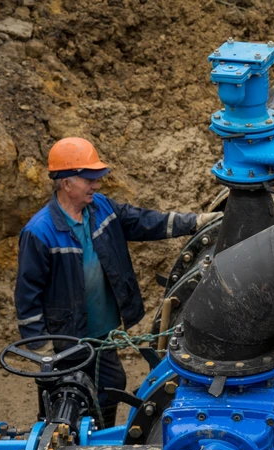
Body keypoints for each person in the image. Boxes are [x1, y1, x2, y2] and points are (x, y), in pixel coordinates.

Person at [14, 137, 220, 427]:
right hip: (68, 341)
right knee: (70, 398)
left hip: (102, 334)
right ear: (66, 183)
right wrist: (43, 350)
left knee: (111, 384)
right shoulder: (39, 232)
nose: (96, 185)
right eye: (89, 180)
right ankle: (72, 442)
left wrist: (195, 223)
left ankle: (101, 435)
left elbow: (143, 221)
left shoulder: (100, 208)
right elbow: (27, 296)